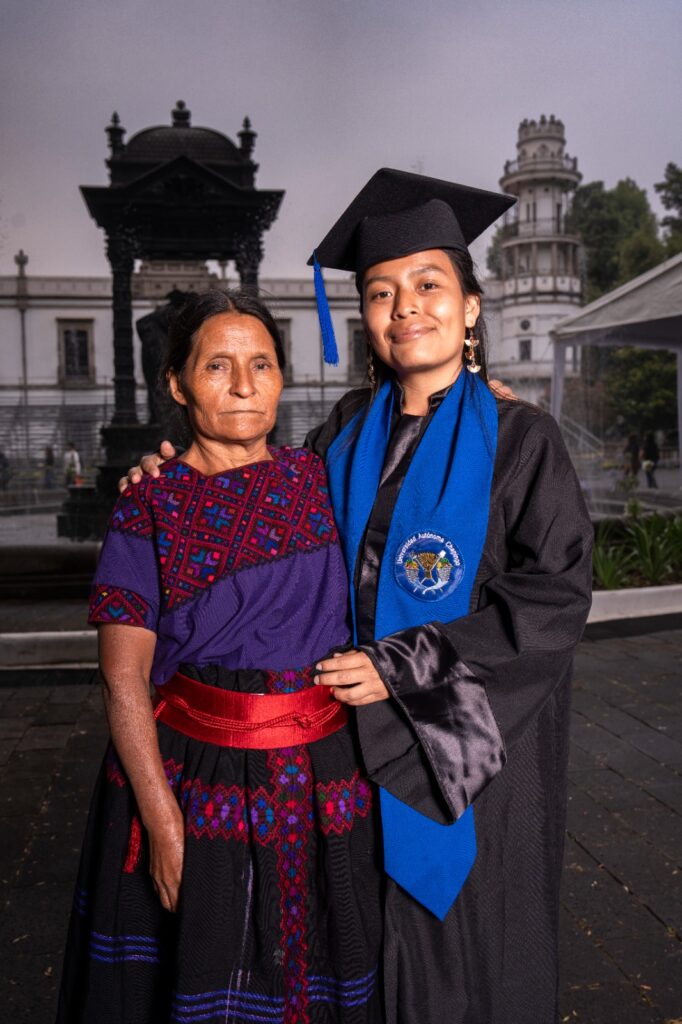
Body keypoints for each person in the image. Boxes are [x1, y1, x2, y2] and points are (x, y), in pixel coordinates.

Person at [123, 168, 593, 1024]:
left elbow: (554, 600)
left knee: (468, 964)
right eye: (381, 292)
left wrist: (402, 666)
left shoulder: (522, 440)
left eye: (428, 285)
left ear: (473, 306)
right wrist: (170, 472)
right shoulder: (341, 434)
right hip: (342, 755)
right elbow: (252, 497)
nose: (405, 306)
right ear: (364, 320)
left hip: (473, 760)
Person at [57, 291, 382, 1024]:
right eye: (218, 365)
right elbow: (122, 675)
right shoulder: (150, 501)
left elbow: (418, 443)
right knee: (202, 982)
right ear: (176, 383)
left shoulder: (322, 478)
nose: (243, 384)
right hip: (194, 783)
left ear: (282, 377)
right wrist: (164, 823)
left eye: (262, 363)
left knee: (331, 975)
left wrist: (480, 392)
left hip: (325, 783)